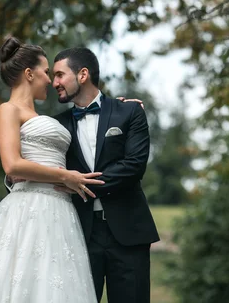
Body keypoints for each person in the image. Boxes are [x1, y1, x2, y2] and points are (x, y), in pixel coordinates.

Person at [0, 37, 101, 303]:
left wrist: (116, 105)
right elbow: (12, 164)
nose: (51, 81)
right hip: (28, 208)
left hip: (61, 212)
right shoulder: (8, 110)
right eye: (46, 72)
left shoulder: (48, 119)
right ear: (29, 74)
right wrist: (65, 176)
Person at [52, 47, 160, 303]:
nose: (54, 83)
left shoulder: (130, 111)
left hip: (128, 234)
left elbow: (134, 166)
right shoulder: (56, 126)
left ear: (83, 75)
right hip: (79, 234)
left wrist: (80, 183)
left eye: (59, 75)